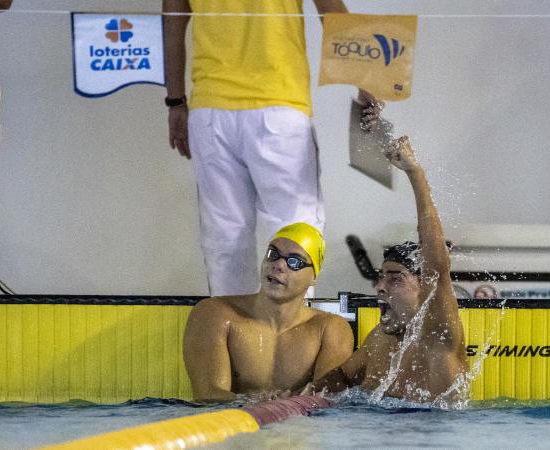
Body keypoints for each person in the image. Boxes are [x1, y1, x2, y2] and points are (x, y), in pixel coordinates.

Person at [163, 0, 383, 296]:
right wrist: (366, 79)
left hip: (211, 108)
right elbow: (331, 12)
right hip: (279, 105)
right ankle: (293, 334)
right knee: (295, 227)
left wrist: (175, 100)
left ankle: (230, 335)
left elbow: (172, 18)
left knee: (225, 236)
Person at [315, 137, 467, 404]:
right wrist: (304, 396)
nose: (380, 287)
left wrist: (415, 174)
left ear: (423, 287)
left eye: (396, 279)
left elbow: (437, 269)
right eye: (381, 278)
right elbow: (342, 377)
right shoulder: (380, 338)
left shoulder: (438, 335)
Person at [183, 222, 354, 401]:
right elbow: (208, 396)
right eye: (273, 254)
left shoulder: (329, 329)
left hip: (300, 427)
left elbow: (325, 402)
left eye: (294, 261)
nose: (279, 264)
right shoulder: (215, 314)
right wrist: (256, 403)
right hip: (236, 425)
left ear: (313, 277)